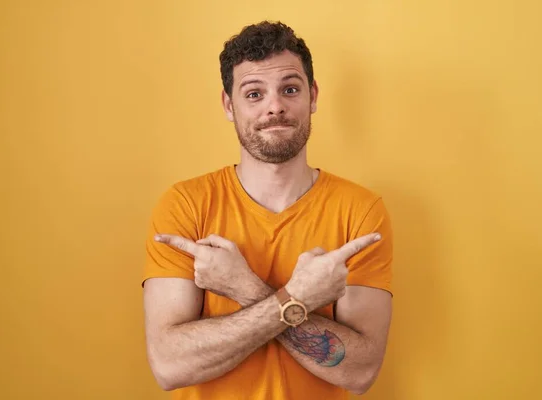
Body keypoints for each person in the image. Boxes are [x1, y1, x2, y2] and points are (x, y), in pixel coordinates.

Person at [142, 20, 393, 400]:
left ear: (312, 96)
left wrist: (244, 288)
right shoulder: (186, 205)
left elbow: (360, 371)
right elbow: (169, 365)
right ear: (229, 105)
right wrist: (299, 298)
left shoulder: (359, 211)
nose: (275, 106)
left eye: (289, 89)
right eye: (254, 94)